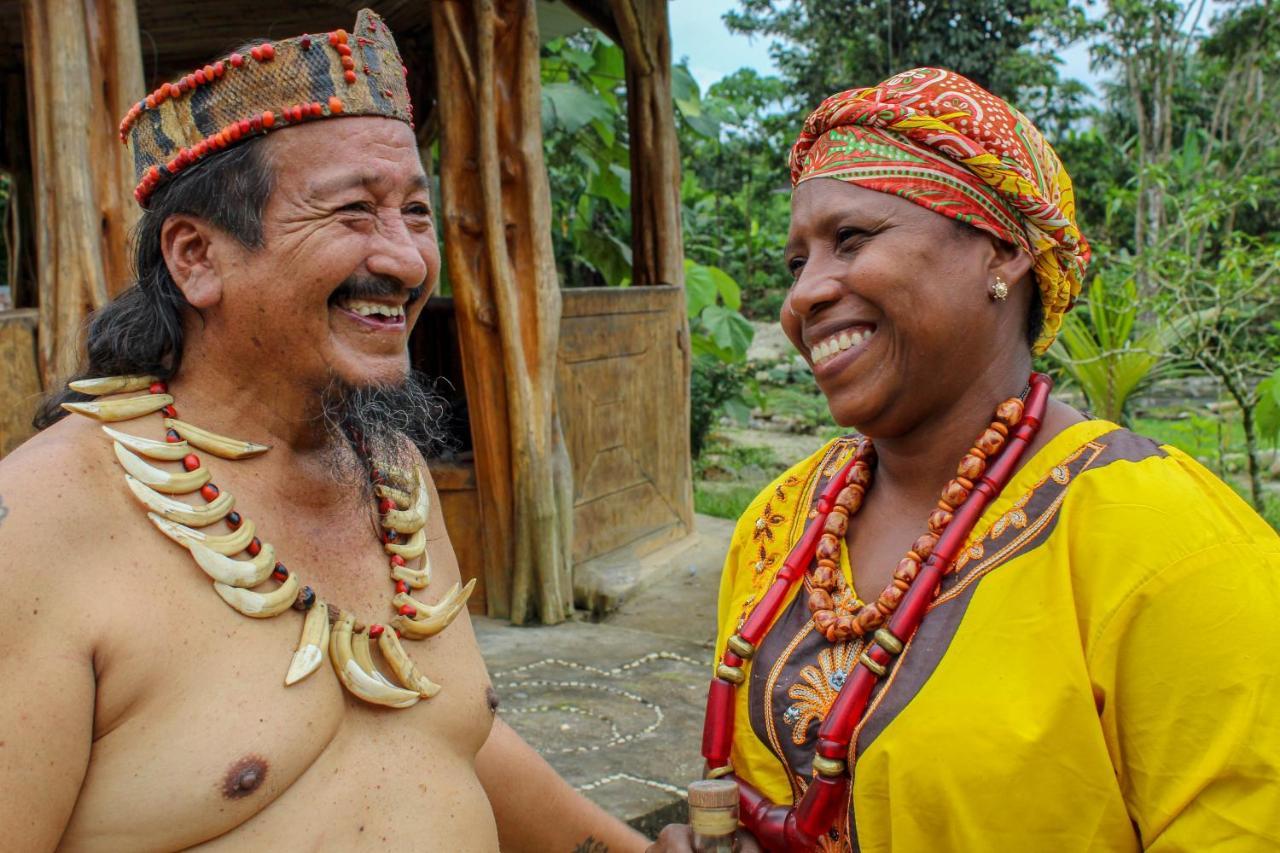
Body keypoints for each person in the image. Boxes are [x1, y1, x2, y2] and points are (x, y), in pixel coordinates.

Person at [0, 9, 647, 851]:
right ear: (196, 256)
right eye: (352, 213)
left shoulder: (393, 474)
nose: (408, 262)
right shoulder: (43, 520)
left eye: (415, 213)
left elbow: (438, 736)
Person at [653, 67, 1280, 852]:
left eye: (851, 239)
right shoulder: (782, 521)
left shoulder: (1168, 547)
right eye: (795, 262)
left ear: (1002, 252)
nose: (804, 295)